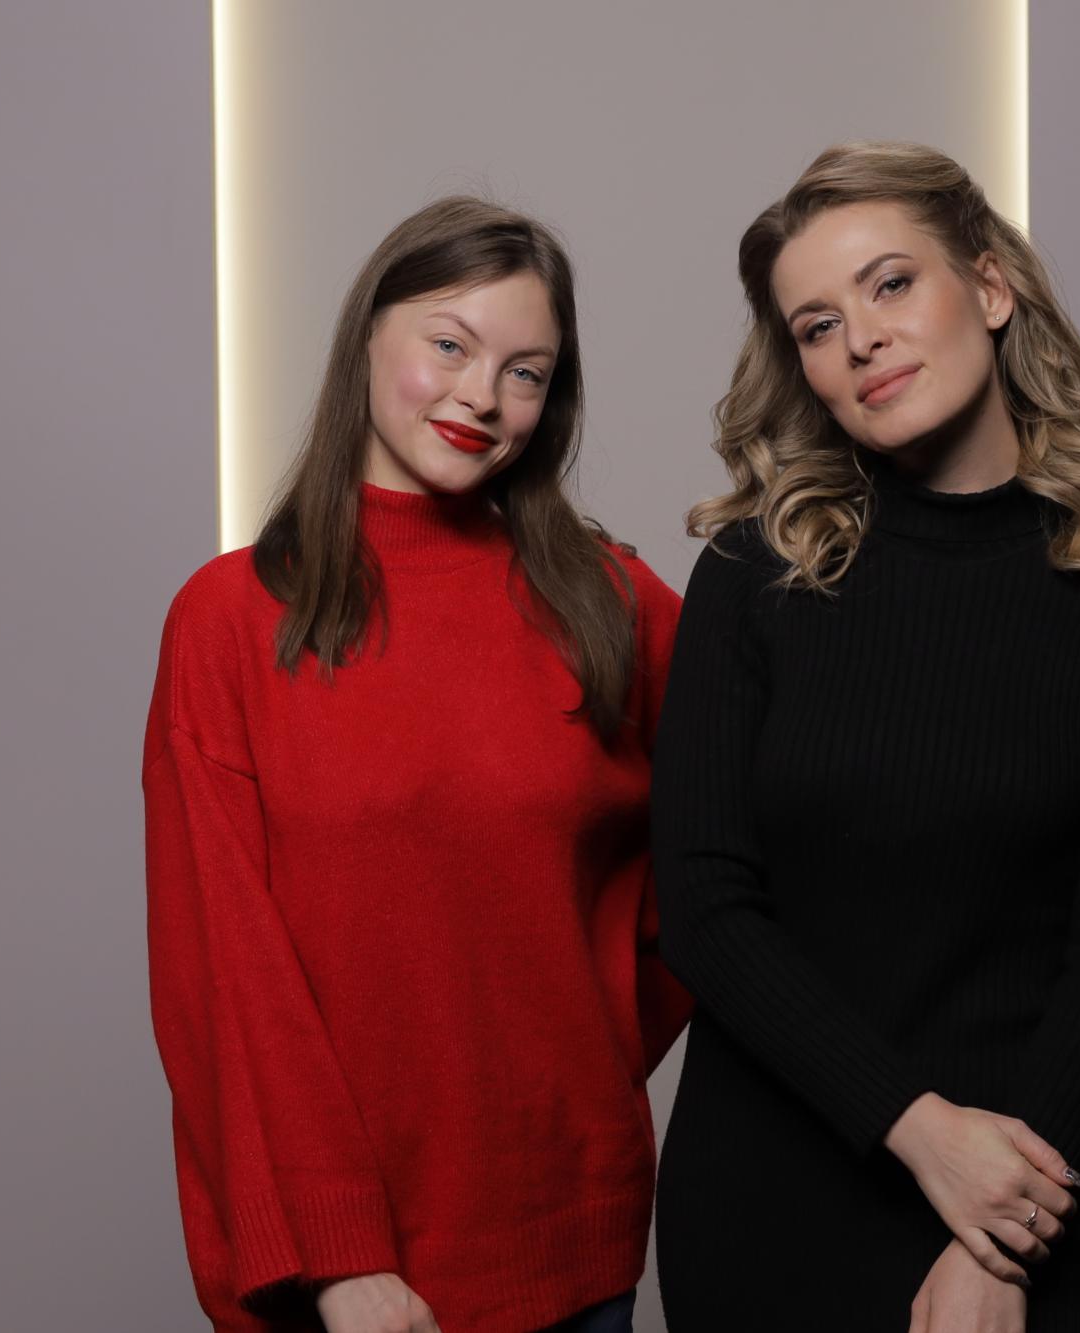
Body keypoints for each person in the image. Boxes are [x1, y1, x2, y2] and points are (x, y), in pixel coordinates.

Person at [651, 142, 1080, 1332]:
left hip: (1019, 1211)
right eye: (816, 326)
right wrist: (922, 1134)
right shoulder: (752, 577)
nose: (859, 339)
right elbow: (703, 906)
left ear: (990, 287)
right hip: (765, 1207)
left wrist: (1000, 1242)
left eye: (890, 283)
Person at [143, 196, 692, 1333]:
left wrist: (587, 1063)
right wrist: (337, 1256)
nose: (482, 396)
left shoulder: (613, 603)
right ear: (367, 336)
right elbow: (223, 973)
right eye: (450, 343)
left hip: (575, 1241)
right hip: (345, 1276)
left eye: (526, 372)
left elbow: (728, 868)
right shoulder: (231, 619)